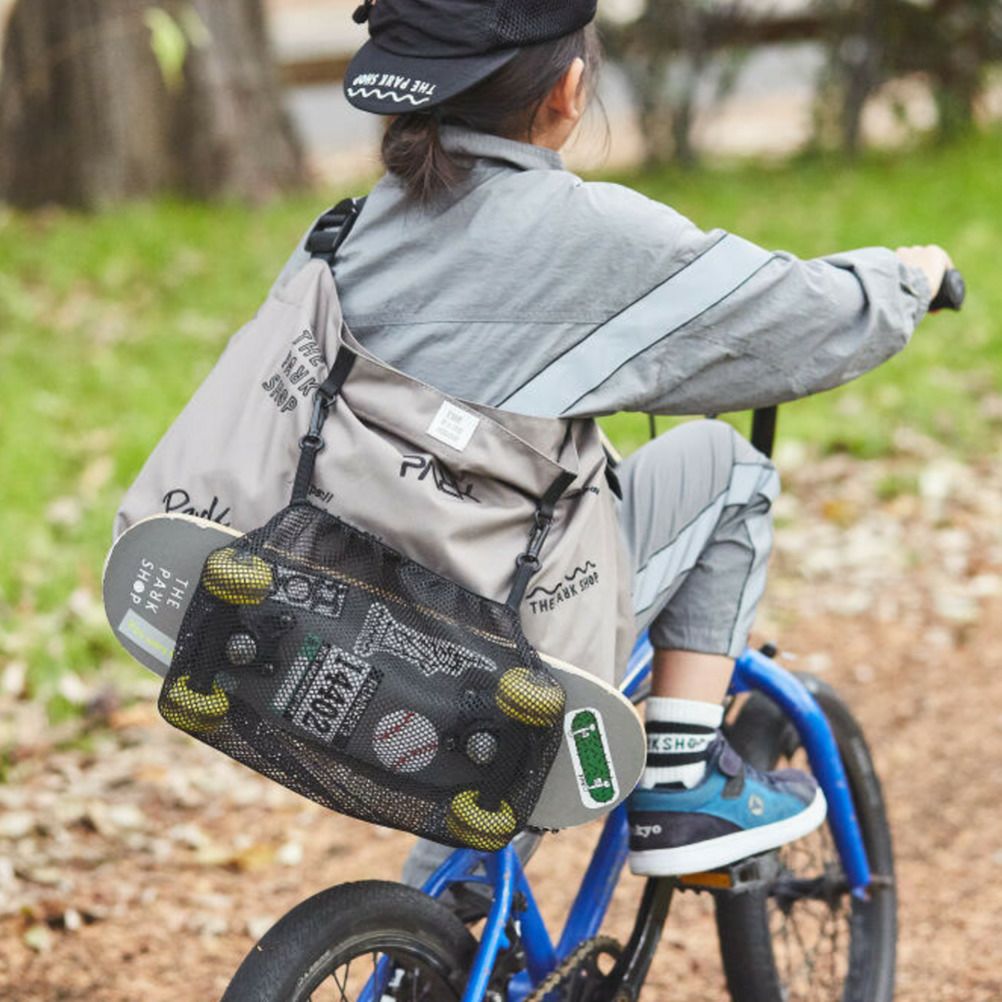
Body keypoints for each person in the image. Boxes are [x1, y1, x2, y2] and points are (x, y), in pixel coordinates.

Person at [276, 0, 951, 880]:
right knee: (725, 468)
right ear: (568, 90)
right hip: (491, 636)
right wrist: (907, 279)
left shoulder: (340, 235)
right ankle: (683, 781)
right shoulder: (585, 234)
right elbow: (797, 316)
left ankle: (437, 919)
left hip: (326, 620)